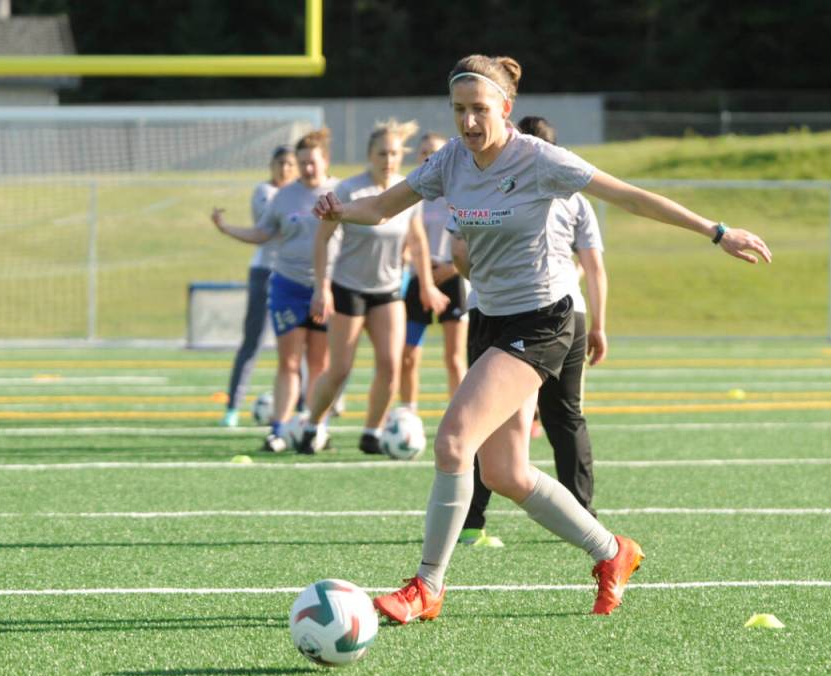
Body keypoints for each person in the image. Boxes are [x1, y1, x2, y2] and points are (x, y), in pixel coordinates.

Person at [312, 54, 771, 619]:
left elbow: (628, 195)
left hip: (543, 321)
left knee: (453, 441)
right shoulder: (451, 160)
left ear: (505, 108)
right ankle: (613, 552)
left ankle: (427, 586)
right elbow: (383, 207)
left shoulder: (539, 159)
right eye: (459, 110)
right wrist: (339, 210)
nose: (468, 121)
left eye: (480, 109)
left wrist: (715, 231)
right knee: (505, 472)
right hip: (491, 319)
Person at [457, 116, 607, 550]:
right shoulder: (574, 197)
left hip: (519, 312)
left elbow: (458, 252)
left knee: (479, 420)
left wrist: (488, 277)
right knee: (563, 418)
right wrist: (599, 323)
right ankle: (583, 517)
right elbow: (594, 267)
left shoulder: (487, 185)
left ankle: (472, 523)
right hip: (564, 314)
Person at [298, 120, 449, 455]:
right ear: (370, 155)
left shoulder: (407, 190)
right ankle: (312, 425)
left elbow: (418, 241)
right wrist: (322, 288)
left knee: (391, 365)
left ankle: (372, 432)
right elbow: (322, 240)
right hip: (348, 288)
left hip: (388, 291)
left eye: (394, 153)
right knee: (339, 370)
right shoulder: (350, 190)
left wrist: (426, 284)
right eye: (382, 153)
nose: (388, 160)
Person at [211, 129, 339, 452]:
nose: (307, 169)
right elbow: (262, 233)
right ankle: (279, 430)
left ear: (325, 160)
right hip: (288, 285)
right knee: (289, 362)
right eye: (302, 162)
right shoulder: (283, 197)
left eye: (312, 162)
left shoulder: (341, 192)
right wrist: (226, 229)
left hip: (327, 288)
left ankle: (315, 428)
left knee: (319, 363)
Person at [219, 145, 299, 428]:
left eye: (290, 164)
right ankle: (232, 406)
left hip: (297, 275)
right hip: (266, 272)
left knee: (298, 346)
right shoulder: (265, 192)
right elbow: (271, 229)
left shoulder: (302, 193)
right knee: (252, 342)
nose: (285, 169)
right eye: (280, 163)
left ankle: (303, 407)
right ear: (271, 166)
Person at [397, 132, 469, 412]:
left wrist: (453, 268)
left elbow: (472, 241)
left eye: (435, 152)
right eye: (423, 152)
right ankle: (408, 416)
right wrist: (418, 266)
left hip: (453, 278)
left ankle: (461, 417)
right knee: (408, 355)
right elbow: (404, 242)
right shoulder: (411, 196)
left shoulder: (460, 191)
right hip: (420, 278)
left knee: (454, 358)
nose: (429, 157)